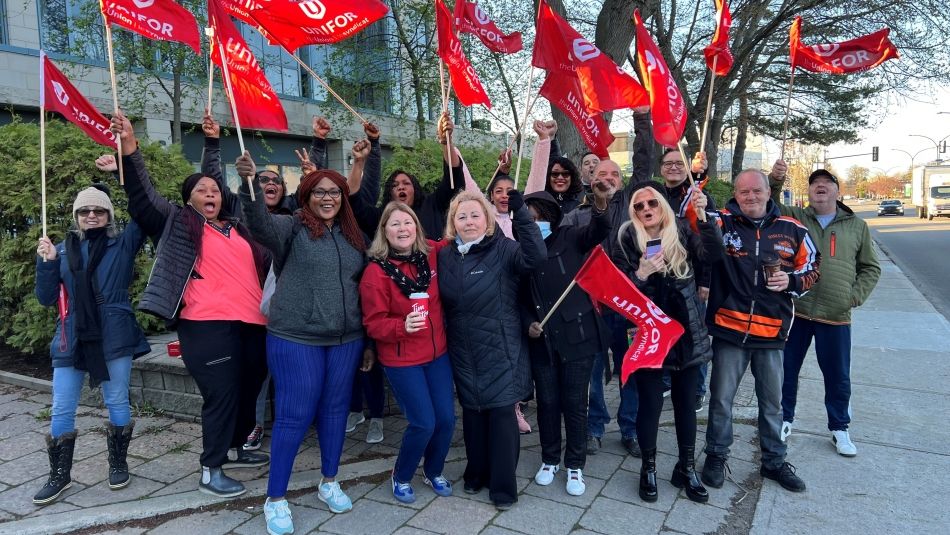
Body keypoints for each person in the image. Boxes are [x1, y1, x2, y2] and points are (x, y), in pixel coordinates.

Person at [110, 112, 271, 498]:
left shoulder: (238, 227)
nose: (210, 193)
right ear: (187, 200)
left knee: (249, 389)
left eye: (214, 190)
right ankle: (210, 470)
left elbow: (216, 179)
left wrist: (213, 144)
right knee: (222, 394)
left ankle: (233, 450)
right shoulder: (178, 223)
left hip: (254, 322)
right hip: (206, 324)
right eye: (201, 190)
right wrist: (129, 149)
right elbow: (143, 196)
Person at [238, 154, 369, 530]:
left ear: (342, 198)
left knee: (335, 412)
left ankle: (329, 481)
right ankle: (275, 498)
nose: (327, 198)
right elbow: (259, 224)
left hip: (346, 339)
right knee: (294, 416)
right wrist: (249, 188)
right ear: (306, 195)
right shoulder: (290, 227)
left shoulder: (353, 235)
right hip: (296, 338)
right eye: (319, 192)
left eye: (335, 192)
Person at [701, 169, 820, 494]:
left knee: (772, 403)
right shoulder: (722, 223)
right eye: (743, 192)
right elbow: (697, 217)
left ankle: (774, 461)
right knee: (721, 401)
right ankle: (715, 455)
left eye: (756, 191)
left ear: (769, 192)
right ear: (735, 196)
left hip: (772, 333)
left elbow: (813, 267)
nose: (750, 197)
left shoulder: (792, 229)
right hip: (730, 329)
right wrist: (698, 175)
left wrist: (792, 282)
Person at [32, 182, 151, 505]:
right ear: (76, 216)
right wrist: (46, 263)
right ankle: (59, 476)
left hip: (114, 332)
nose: (92, 215)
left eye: (99, 210)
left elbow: (143, 209)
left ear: (109, 214)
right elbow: (45, 298)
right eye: (85, 211)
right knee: (62, 406)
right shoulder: (59, 249)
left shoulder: (123, 244)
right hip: (72, 334)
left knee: (117, 402)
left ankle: (118, 463)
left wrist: (125, 174)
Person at [438, 189, 546, 509]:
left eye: (475, 215)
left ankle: (503, 488)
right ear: (452, 223)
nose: (469, 221)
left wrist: (522, 215)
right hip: (462, 347)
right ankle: (477, 474)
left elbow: (536, 256)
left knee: (500, 416)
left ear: (487, 220)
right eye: (462, 216)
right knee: (473, 414)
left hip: (501, 347)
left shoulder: (504, 249)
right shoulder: (446, 255)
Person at [613, 183, 721, 503]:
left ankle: (686, 468)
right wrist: (641, 274)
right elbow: (620, 292)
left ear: (662, 205)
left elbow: (712, 255)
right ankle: (648, 469)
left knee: (686, 404)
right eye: (638, 206)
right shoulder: (626, 239)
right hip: (650, 334)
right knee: (650, 405)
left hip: (686, 331)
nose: (646, 209)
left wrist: (704, 219)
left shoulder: (684, 232)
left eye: (652, 203)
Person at [768, 165, 881, 456]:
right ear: (808, 192)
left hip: (836, 314)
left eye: (827, 183)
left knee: (837, 375)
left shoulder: (856, 226)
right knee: (786, 370)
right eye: (815, 183)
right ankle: (785, 419)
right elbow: (769, 204)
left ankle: (839, 427)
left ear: (837, 191)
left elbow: (871, 267)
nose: (820, 186)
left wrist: (853, 297)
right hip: (798, 310)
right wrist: (776, 179)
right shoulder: (796, 217)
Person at [561, 107, 654, 458]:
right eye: (602, 173)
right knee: (594, 369)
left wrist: (642, 120)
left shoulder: (634, 207)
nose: (609, 177)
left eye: (615, 173)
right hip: (591, 305)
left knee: (630, 366)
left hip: (629, 301)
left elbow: (643, 163)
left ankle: (629, 428)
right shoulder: (575, 215)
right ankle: (595, 426)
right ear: (590, 179)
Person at [360, 202, 455, 504]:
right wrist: (402, 326)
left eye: (408, 222)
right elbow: (373, 324)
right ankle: (401, 475)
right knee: (423, 422)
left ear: (417, 227)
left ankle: (434, 469)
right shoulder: (376, 273)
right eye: (395, 224)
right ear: (384, 232)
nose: (403, 229)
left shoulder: (433, 255)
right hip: (402, 360)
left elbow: (463, 235)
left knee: (447, 420)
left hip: (437, 354)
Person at [521, 185, 611, 497]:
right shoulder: (520, 249)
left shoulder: (572, 236)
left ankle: (575, 464)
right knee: (547, 402)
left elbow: (600, 229)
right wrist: (527, 323)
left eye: (539, 218)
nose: (535, 224)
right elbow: (516, 297)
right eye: (527, 219)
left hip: (578, 337)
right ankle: (549, 459)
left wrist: (600, 204)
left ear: (551, 217)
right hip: (542, 340)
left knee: (575, 403)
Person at [657, 148, 717, 412]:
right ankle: (667, 379)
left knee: (695, 334)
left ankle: (698, 388)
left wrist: (706, 280)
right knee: (666, 332)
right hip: (661, 281)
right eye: (667, 163)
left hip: (691, 280)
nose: (673, 167)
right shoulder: (655, 197)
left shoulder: (697, 196)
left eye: (678, 163)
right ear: (660, 169)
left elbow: (709, 242)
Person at [524, 120, 584, 214]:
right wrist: (549, 137)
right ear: (548, 177)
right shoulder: (540, 201)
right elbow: (549, 162)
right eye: (555, 174)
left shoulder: (580, 206)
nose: (560, 177)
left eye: (565, 174)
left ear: (572, 177)